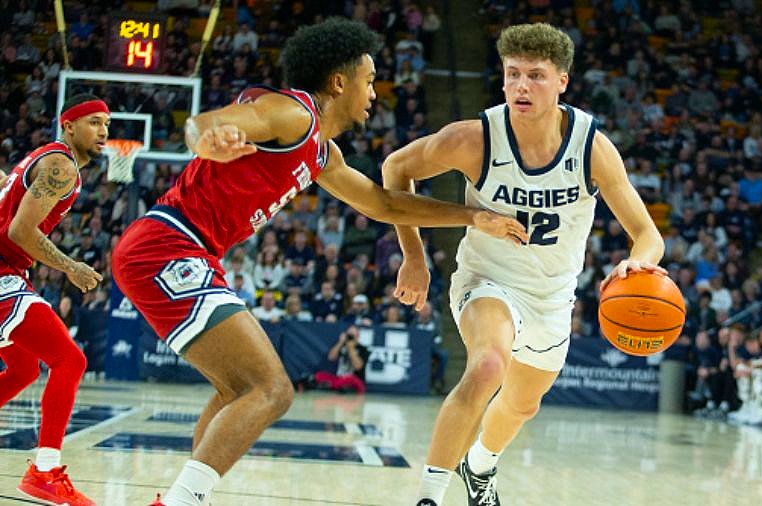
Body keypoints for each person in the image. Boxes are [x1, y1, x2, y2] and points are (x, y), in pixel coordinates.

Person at [110, 18, 525, 506]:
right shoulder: (292, 113)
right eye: (368, 80)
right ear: (338, 82)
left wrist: (474, 216)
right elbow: (207, 124)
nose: (374, 92)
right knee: (271, 389)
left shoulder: (320, 152)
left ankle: (183, 497)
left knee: (235, 389)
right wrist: (207, 138)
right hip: (167, 247)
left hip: (185, 251)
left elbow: (384, 205)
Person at [382, 23, 665, 506]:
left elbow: (648, 235)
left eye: (535, 75)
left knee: (522, 404)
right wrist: (414, 256)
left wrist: (636, 265)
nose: (521, 86)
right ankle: (429, 496)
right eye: (512, 74)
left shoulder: (590, 147)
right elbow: (395, 169)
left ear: (562, 82)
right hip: (487, 280)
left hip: (552, 297)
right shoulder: (474, 139)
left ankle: (481, 466)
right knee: (489, 364)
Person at [0, 94, 106, 506]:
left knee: (24, 368)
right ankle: (44, 471)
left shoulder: (40, 159)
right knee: (70, 360)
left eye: (107, 125)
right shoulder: (60, 165)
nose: (103, 132)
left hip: (11, 271)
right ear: (68, 126)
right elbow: (19, 232)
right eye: (94, 122)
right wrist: (71, 266)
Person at [312, 324, 370, 394]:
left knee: (349, 379)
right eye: (348, 335)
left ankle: (332, 386)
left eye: (352, 336)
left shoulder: (363, 349)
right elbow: (331, 358)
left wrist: (351, 349)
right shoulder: (341, 346)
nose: (350, 338)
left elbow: (358, 367)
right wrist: (340, 342)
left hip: (354, 379)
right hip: (339, 378)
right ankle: (337, 386)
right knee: (319, 375)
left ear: (357, 337)